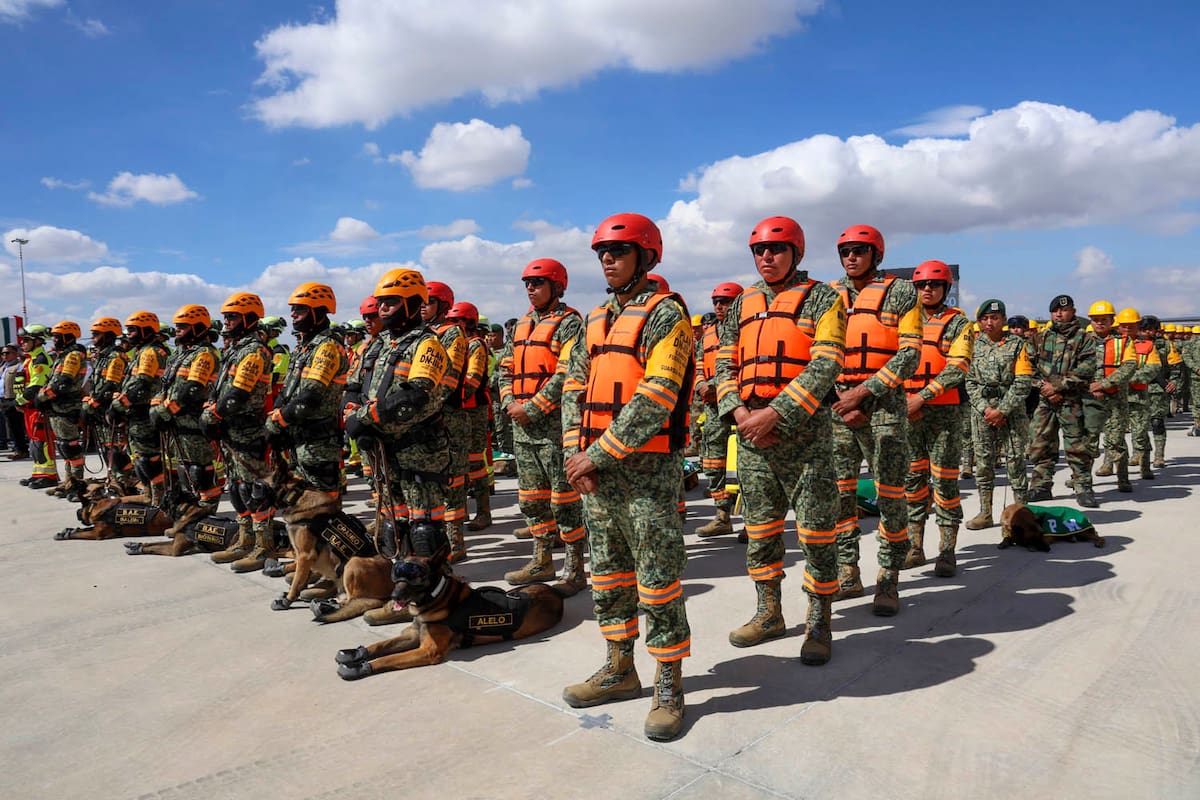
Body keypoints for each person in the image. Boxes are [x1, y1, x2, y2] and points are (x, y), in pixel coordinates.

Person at [561, 213, 693, 741]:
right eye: (603, 253)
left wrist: (600, 455)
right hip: (595, 474)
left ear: (647, 257)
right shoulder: (592, 321)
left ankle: (668, 682)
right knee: (610, 577)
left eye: (619, 251)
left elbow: (657, 396)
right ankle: (620, 667)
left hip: (646, 474)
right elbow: (574, 389)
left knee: (658, 582)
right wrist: (577, 456)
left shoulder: (667, 316)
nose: (608, 260)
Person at [713, 216, 845, 664]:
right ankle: (769, 613)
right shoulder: (742, 302)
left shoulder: (824, 298)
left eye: (776, 249)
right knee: (761, 531)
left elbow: (826, 364)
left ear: (797, 253)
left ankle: (819, 621)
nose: (766, 257)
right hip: (752, 437)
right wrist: (741, 413)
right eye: (759, 251)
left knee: (816, 534)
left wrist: (775, 414)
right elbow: (724, 364)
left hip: (804, 439)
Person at [828, 225, 921, 616]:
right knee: (841, 493)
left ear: (875, 255)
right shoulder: (827, 295)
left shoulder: (901, 293)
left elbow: (910, 355)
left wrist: (863, 394)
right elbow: (817, 351)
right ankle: (849, 570)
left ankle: (889, 577)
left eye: (859, 250)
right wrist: (839, 396)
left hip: (883, 407)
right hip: (837, 407)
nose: (851, 257)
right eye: (846, 250)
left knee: (890, 494)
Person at [345, 268, 451, 561]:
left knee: (425, 530)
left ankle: (432, 592)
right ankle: (401, 585)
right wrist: (353, 412)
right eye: (380, 302)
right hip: (383, 450)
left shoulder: (427, 344)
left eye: (390, 302)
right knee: (394, 525)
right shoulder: (375, 344)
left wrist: (362, 418)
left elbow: (414, 397)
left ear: (412, 304)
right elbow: (352, 387)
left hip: (418, 452)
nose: (382, 308)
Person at [499, 258, 587, 593]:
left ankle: (575, 568)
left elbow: (566, 373)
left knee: (563, 500)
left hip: (552, 427)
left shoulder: (569, 322)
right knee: (532, 499)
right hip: (522, 428)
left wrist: (533, 408)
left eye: (537, 283)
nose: (530, 289)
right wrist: (510, 402)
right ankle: (542, 559)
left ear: (556, 286)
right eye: (527, 284)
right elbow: (504, 369)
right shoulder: (521, 325)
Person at [901, 261, 973, 577]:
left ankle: (946, 551)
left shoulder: (958, 323)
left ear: (945, 288)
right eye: (921, 285)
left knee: (944, 481)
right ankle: (915, 547)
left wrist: (921, 397)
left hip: (943, 412)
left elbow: (957, 367)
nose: (927, 289)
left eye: (934, 284)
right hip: (906, 411)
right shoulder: (903, 321)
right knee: (912, 481)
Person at [203, 294, 276, 571]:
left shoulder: (254, 350)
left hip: (248, 429)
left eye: (232, 317)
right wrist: (212, 409)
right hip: (231, 430)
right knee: (236, 488)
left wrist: (216, 414)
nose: (227, 322)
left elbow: (238, 392)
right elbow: (221, 387)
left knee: (254, 490)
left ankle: (264, 545)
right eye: (226, 317)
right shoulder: (235, 349)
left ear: (248, 319)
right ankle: (245, 539)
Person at [266, 283, 348, 503]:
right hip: (300, 440)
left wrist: (278, 420)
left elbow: (311, 396)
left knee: (322, 507)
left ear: (319, 311)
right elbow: (289, 390)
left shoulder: (327, 347)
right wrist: (275, 414)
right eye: (293, 309)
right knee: (304, 507)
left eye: (300, 309)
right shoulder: (304, 348)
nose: (293, 314)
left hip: (319, 443)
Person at [964, 299, 1034, 529]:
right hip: (982, 412)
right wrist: (986, 409)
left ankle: (1022, 513)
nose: (989, 323)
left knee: (1015, 462)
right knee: (983, 462)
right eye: (984, 319)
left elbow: (1023, 381)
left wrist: (1002, 410)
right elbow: (969, 381)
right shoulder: (973, 346)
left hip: (1011, 411)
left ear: (1003, 319)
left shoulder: (1017, 345)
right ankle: (985, 512)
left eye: (994, 318)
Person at [150, 306, 221, 524]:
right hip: (176, 423)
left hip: (193, 422)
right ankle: (191, 511)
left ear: (198, 327)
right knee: (184, 469)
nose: (177, 331)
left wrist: (165, 410)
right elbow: (166, 385)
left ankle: (207, 512)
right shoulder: (178, 355)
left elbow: (192, 389)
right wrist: (156, 407)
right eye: (176, 327)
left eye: (182, 327)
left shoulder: (204, 354)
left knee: (200, 470)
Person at [1027, 295, 1098, 506]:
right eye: (1055, 310)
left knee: (1077, 446)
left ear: (1073, 312)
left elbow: (1087, 369)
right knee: (1040, 444)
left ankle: (1083, 487)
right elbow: (1027, 368)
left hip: (1072, 401)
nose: (1059, 313)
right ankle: (1041, 485)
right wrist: (1044, 388)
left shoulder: (1084, 338)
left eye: (1064, 310)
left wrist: (1058, 387)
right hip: (1044, 401)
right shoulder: (1039, 338)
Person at [421, 282, 469, 562]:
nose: (424, 306)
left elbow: (449, 378)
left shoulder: (453, 335)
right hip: (426, 417)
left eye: (430, 301)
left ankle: (456, 542)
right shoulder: (421, 334)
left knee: (454, 480)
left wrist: (428, 406)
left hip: (448, 416)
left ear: (443, 304)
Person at [694, 281, 743, 538]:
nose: (719, 306)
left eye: (725, 301)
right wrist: (703, 385)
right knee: (712, 464)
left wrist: (715, 385)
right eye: (716, 302)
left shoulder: (747, 330)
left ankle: (754, 523)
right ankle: (722, 516)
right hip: (713, 407)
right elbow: (699, 365)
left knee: (747, 466)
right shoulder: (709, 334)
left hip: (738, 404)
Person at [444, 300, 491, 557]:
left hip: (472, 409)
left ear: (470, 322)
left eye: (458, 321)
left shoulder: (476, 345)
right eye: (452, 321)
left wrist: (451, 397)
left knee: (475, 463)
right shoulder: (457, 344)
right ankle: (459, 517)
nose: (454, 326)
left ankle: (483, 512)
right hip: (459, 408)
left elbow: (472, 379)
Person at [109, 312, 170, 504]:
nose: (129, 334)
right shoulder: (141, 352)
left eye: (133, 330)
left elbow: (141, 385)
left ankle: (158, 500)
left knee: (149, 460)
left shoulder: (150, 353)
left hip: (145, 413)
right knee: (141, 458)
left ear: (146, 330)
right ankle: (150, 496)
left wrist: (119, 405)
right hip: (136, 413)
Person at [1086, 302, 1139, 493]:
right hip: (1089, 398)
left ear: (1111, 320)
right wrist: (1091, 387)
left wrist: (1104, 384)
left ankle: (1123, 479)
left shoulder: (1124, 341)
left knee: (1116, 440)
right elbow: (1074, 368)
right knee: (1087, 441)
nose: (1099, 323)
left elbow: (1129, 366)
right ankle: (1083, 480)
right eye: (1096, 320)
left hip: (1115, 399)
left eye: (1103, 320)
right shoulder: (1082, 341)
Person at [81, 318, 130, 482]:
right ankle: (114, 479)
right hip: (101, 410)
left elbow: (111, 385)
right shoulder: (102, 356)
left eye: (96, 334)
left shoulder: (115, 357)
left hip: (112, 410)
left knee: (116, 451)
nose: (93, 337)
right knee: (107, 449)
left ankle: (124, 481)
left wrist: (93, 404)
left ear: (108, 335)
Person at [1139, 316, 1180, 469]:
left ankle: (1159, 455)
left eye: (1151, 329)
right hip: (1138, 388)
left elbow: (1176, 366)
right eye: (1144, 329)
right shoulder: (1134, 344)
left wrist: (1173, 382)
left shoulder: (1166, 345)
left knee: (1157, 422)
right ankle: (1141, 453)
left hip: (1158, 389)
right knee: (1140, 425)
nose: (1148, 332)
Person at [1, 344, 29, 459]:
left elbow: (21, 383)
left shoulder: (19, 366)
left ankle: (22, 450)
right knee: (11, 426)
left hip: (14, 398)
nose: (4, 355)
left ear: (16, 353)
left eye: (8, 353)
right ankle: (18, 448)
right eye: (3, 353)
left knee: (17, 426)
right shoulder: (3, 367)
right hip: (3, 398)